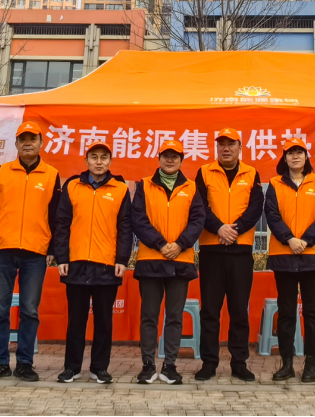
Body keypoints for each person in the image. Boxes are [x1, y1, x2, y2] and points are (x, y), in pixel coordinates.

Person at [0, 121, 61, 383]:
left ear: (41, 143)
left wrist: (52, 248)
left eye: (33, 139)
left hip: (35, 252)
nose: (28, 143)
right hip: (3, 250)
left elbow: (55, 215)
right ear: (16, 143)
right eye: (23, 139)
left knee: (29, 310)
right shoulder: (2, 171)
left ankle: (25, 363)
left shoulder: (51, 175)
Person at [53, 142, 132, 384]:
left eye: (103, 157)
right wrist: (62, 257)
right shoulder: (72, 186)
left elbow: (125, 227)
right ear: (86, 160)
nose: (99, 162)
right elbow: (62, 223)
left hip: (107, 264)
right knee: (76, 320)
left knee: (104, 321)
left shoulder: (120, 189)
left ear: (110, 161)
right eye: (94, 157)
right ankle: (72, 367)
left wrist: (122, 259)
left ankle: (100, 368)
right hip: (76, 262)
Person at [130, 139, 205, 385]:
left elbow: (197, 220)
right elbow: (138, 219)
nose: (170, 160)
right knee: (149, 316)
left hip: (180, 261)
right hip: (151, 259)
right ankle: (148, 365)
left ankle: (170, 365)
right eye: (166, 155)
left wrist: (180, 244)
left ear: (182, 160)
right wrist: (161, 244)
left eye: (175, 156)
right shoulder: (144, 185)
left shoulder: (192, 188)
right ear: (159, 158)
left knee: (174, 316)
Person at [193, 128, 263, 382]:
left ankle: (239, 362)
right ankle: (209, 363)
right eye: (221, 143)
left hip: (240, 251)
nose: (226, 148)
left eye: (231, 144)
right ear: (216, 147)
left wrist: (235, 230)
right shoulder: (204, 172)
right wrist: (219, 228)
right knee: (210, 311)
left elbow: (256, 207)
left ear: (239, 148)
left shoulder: (251, 173)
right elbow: (199, 205)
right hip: (211, 249)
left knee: (239, 311)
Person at [264, 137, 315, 383]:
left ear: (306, 157)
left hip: (312, 255)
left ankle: (310, 364)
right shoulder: (275, 184)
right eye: (291, 153)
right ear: (284, 158)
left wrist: (306, 240)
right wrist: (289, 239)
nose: (295, 156)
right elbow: (271, 214)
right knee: (286, 312)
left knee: (312, 311)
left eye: (299, 152)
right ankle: (287, 364)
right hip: (283, 255)